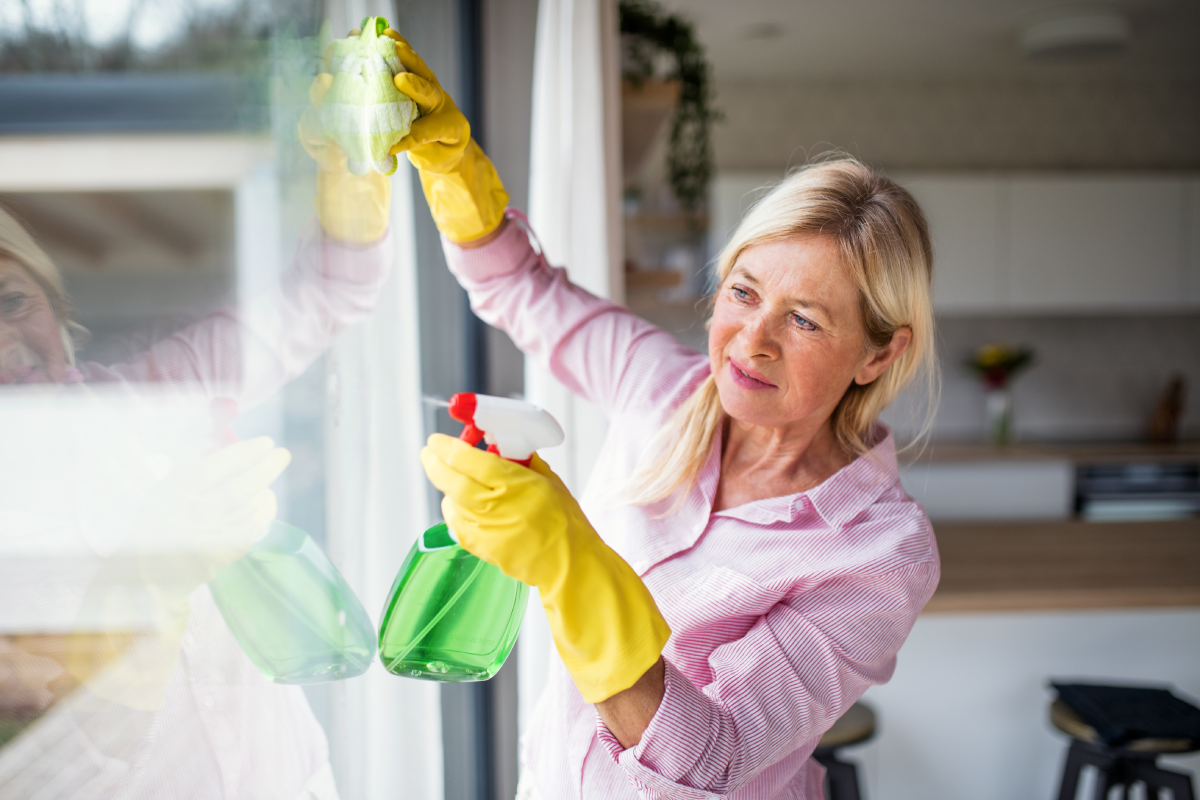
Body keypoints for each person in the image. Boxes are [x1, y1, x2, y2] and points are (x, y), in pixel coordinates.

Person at [387, 34, 941, 800]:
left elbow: (713, 756)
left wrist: (572, 564)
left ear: (877, 356)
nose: (753, 341)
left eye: (805, 320)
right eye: (744, 292)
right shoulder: (664, 389)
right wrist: (453, 171)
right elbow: (522, 288)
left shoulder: (881, 554)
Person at [0, 103, 394, 799]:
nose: (3, 342)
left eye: (9, 301)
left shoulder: (150, 397)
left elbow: (323, 295)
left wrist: (354, 190)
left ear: (55, 305)